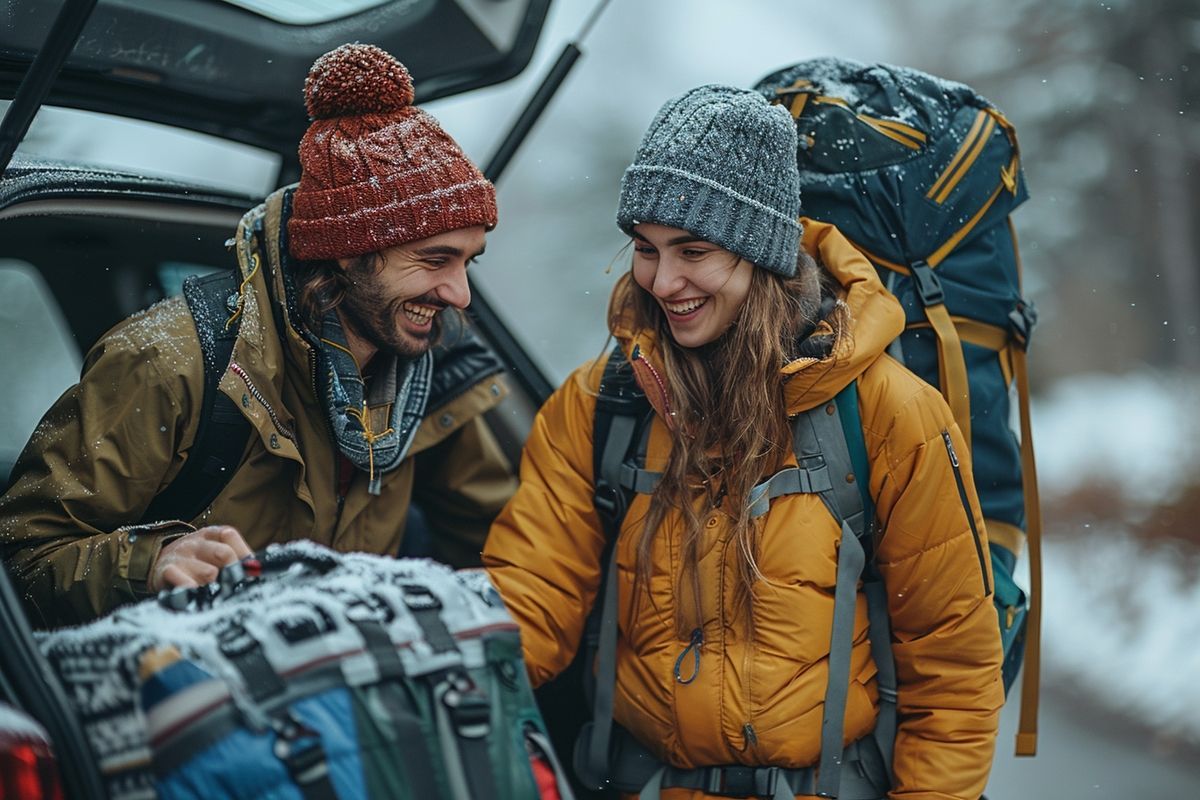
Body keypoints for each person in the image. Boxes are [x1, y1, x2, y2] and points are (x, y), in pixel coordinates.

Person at [482, 85, 1004, 799]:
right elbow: (531, 598)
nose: (664, 281)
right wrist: (425, 665)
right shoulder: (602, 404)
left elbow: (953, 679)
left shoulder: (889, 413)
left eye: (693, 250)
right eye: (645, 249)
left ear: (760, 252)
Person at [0, 44, 517, 627]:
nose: (459, 294)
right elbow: (24, 558)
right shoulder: (170, 362)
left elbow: (509, 551)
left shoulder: (429, 365)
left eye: (468, 263)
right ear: (348, 251)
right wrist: (148, 564)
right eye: (434, 260)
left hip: (349, 692)